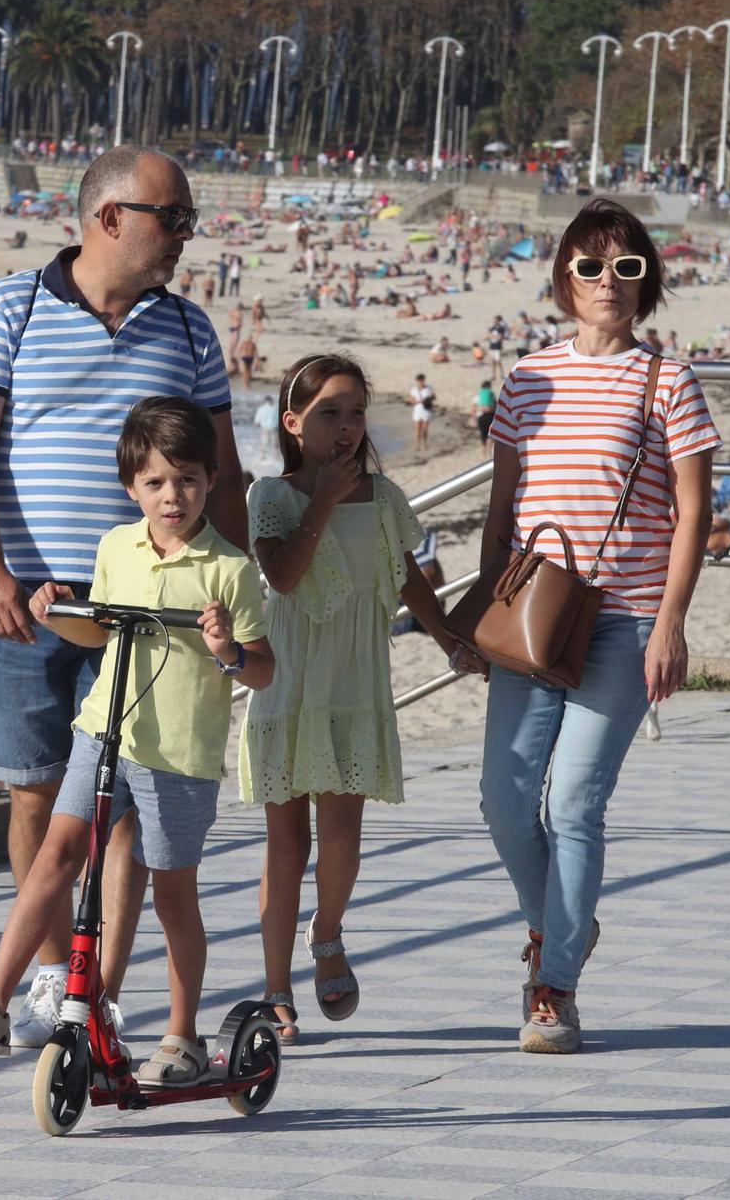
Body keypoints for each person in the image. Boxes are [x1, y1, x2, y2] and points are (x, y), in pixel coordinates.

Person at [0, 144, 248, 1051]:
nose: (187, 236)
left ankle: (96, 990)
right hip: (26, 603)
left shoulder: (189, 332)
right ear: (110, 218)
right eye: (175, 218)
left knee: (120, 803)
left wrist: (237, 589)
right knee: (37, 797)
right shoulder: (9, 307)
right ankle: (46, 974)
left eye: (189, 219)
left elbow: (221, 476)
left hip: (150, 609)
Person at [0, 398, 273, 1082]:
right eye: (155, 482)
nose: (172, 496)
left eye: (188, 480)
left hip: (179, 751)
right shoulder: (116, 546)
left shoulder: (228, 568)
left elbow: (262, 668)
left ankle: (183, 1035)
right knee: (56, 855)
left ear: (211, 479)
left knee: (175, 895)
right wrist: (54, 613)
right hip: (104, 730)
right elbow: (105, 630)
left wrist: (227, 649)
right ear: (131, 487)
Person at [450, 199, 719, 1054]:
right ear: (565, 277)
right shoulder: (528, 379)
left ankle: (554, 982)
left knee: (574, 799)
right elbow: (501, 514)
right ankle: (563, 923)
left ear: (648, 282)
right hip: (532, 613)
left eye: (628, 267)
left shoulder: (667, 379)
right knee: (502, 799)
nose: (610, 282)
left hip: (626, 616)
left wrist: (671, 622)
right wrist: (478, 609)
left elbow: (693, 512)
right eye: (592, 266)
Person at [242, 353, 465, 1044]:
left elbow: (406, 578)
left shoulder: (387, 496)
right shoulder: (271, 497)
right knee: (286, 844)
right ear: (293, 422)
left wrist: (449, 639)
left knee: (343, 840)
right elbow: (280, 577)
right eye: (328, 412)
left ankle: (328, 932)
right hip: (290, 683)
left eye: (356, 411)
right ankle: (275, 985)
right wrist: (326, 501)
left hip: (355, 684)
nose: (345, 426)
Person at [408, 373, 437, 453]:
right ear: (417, 381)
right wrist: (419, 401)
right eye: (419, 380)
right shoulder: (414, 389)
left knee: (425, 429)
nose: (421, 382)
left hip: (426, 411)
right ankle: (417, 445)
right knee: (417, 429)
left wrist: (429, 398)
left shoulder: (429, 388)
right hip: (417, 411)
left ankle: (425, 443)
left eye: (422, 380)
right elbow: (410, 400)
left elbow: (434, 397)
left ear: (424, 380)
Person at [473, 379, 497, 457]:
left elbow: (473, 409)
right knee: (491, 435)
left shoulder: (478, 396)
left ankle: (484, 454)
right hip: (491, 416)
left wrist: (473, 419)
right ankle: (489, 452)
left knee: (483, 435)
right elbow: (496, 406)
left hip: (481, 417)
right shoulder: (492, 394)